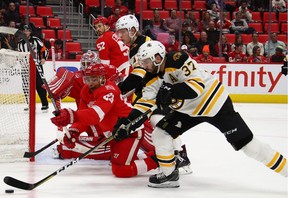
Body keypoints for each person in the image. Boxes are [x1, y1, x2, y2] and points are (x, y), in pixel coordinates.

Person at [112, 40, 287, 188]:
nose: (144, 66)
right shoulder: (150, 79)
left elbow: (196, 88)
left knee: (250, 147)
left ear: (157, 57)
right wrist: (127, 123)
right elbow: (144, 105)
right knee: (161, 132)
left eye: (146, 62)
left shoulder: (178, 59)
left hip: (214, 103)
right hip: (188, 111)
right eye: (142, 63)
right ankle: (169, 174)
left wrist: (171, 91)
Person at [50, 63, 158, 177]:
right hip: (114, 134)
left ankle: (159, 160)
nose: (90, 83)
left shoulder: (109, 90)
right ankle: (159, 155)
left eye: (94, 79)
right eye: (87, 79)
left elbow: (96, 115)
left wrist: (70, 115)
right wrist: (74, 131)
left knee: (121, 170)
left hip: (128, 130)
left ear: (102, 78)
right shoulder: (85, 91)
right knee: (122, 160)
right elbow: (83, 117)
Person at [116, 14, 192, 174]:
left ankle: (180, 156)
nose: (119, 35)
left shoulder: (140, 46)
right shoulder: (137, 44)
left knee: (160, 120)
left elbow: (139, 75)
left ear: (132, 30)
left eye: (122, 31)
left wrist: (120, 88)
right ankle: (177, 155)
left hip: (163, 88)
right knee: (159, 121)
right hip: (158, 87)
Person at [18, 24, 49, 111]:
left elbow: (44, 49)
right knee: (26, 85)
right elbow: (20, 55)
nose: (26, 32)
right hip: (25, 67)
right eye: (24, 31)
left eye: (27, 30)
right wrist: (21, 63)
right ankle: (29, 104)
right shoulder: (20, 43)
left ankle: (45, 103)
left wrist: (43, 58)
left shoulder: (36, 40)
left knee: (40, 85)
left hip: (36, 66)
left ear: (30, 31)